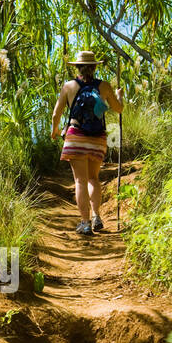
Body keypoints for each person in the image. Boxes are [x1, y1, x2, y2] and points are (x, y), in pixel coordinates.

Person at [51, 50, 123, 236]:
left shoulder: (69, 86)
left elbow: (56, 114)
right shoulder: (105, 86)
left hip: (76, 137)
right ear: (95, 67)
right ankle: (97, 217)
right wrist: (119, 95)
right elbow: (119, 109)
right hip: (97, 138)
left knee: (80, 181)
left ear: (77, 67)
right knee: (93, 179)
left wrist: (55, 131)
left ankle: (85, 223)